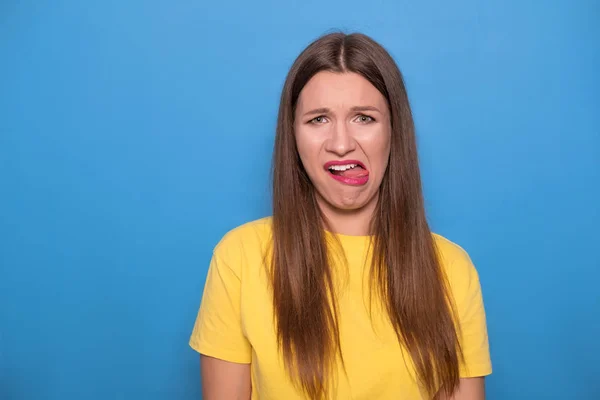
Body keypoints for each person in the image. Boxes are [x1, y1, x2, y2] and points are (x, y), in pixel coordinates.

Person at [189, 32, 492, 400]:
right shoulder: (239, 258)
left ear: (394, 133)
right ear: (294, 137)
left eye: (364, 118)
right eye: (318, 119)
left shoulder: (451, 269)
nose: (341, 143)